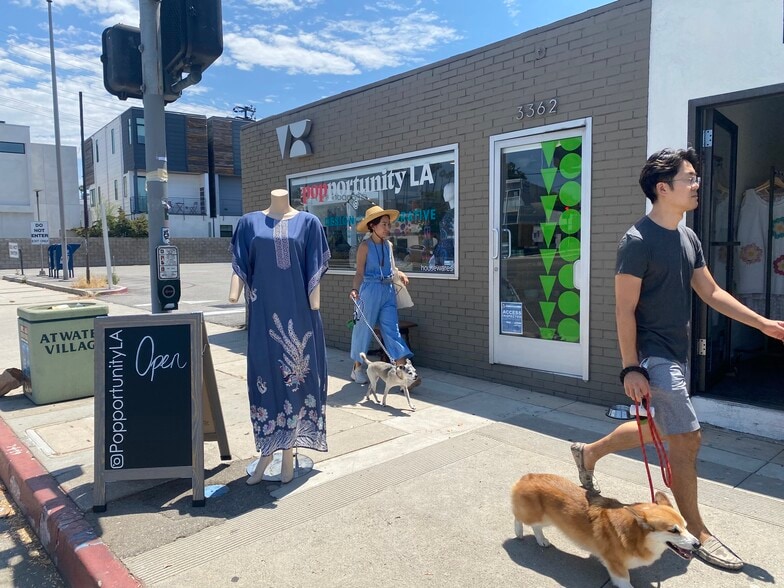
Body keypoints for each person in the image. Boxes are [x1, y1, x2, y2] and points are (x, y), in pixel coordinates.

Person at [570, 147, 784, 572]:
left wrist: (763, 323)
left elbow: (710, 292)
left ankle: (589, 453)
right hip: (654, 355)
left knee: (657, 427)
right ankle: (698, 531)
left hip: (678, 351)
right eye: (689, 178)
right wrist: (631, 367)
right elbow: (623, 309)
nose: (697, 184)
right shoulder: (636, 241)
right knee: (686, 439)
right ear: (662, 188)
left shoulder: (687, 237)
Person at [230, 188, 330, 485]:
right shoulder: (248, 223)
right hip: (263, 316)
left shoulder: (309, 223)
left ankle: (287, 453)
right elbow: (240, 264)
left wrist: (314, 303)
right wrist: (234, 291)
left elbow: (313, 266)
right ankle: (269, 450)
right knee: (264, 379)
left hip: (301, 316)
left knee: (298, 381)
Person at [349, 205, 419, 386]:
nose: (388, 228)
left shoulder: (388, 245)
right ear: (373, 225)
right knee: (363, 330)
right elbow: (359, 272)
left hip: (388, 291)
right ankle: (357, 369)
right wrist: (355, 290)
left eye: (389, 224)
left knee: (392, 330)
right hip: (369, 290)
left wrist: (399, 273)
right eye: (384, 224)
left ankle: (404, 373)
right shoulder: (364, 246)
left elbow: (391, 267)